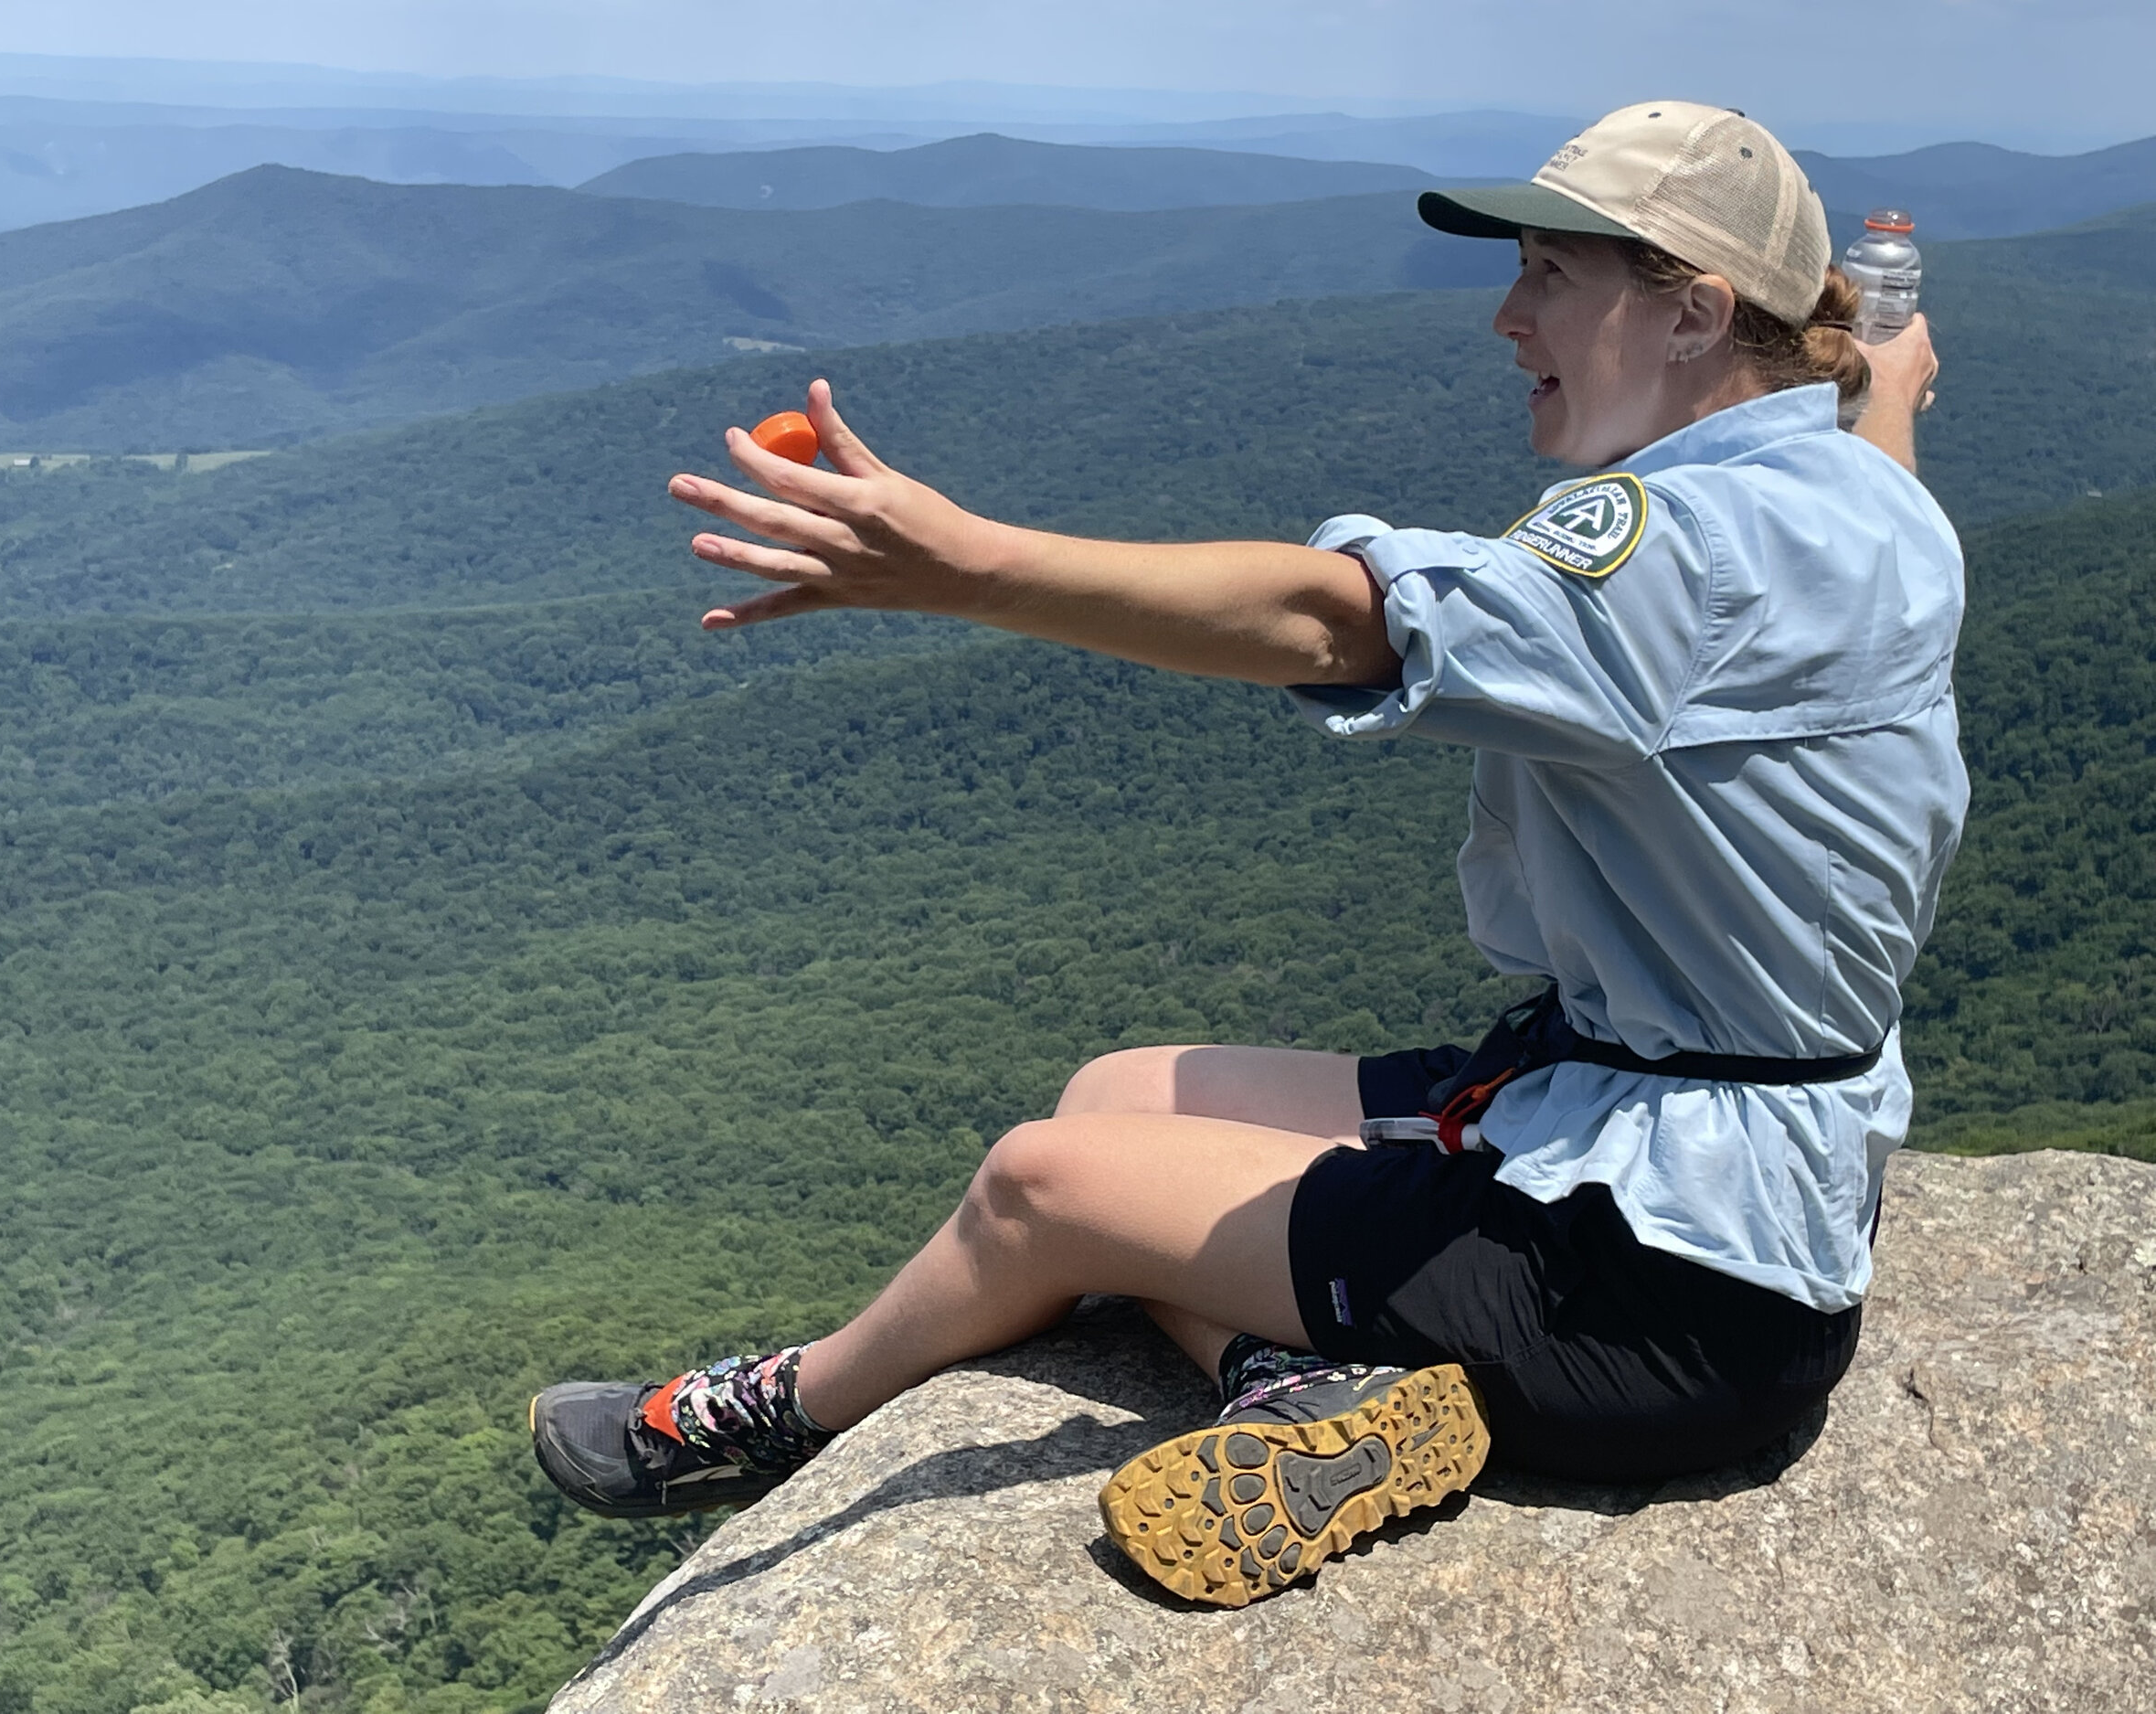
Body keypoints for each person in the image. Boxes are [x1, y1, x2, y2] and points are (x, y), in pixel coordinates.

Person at [528, 101, 1957, 1608]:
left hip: (1652, 1287)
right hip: (1667, 1149)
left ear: (1694, 312)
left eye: (1550, 273)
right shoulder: (1853, 495)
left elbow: (1341, 620)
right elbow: (1871, 460)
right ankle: (1295, 1379)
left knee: (1043, 1186)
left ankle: (771, 1420)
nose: (1506, 314)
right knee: (1121, 1094)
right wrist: (1890, 390)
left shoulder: (1688, 545)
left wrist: (962, 567)